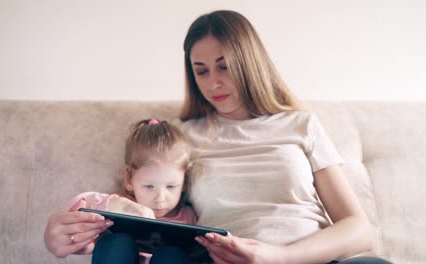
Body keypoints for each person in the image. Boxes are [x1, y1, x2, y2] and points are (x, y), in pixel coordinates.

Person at [44, 10, 392, 264]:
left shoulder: (300, 124)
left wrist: (280, 256)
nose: (213, 83)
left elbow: (359, 229)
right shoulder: (181, 137)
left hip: (311, 258)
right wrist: (72, 237)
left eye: (225, 66)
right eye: (202, 71)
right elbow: (145, 212)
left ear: (250, 62)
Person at [65, 119, 197, 263]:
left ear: (184, 182)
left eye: (171, 187)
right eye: (149, 186)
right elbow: (79, 203)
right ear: (129, 179)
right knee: (116, 244)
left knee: (172, 255)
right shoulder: (121, 206)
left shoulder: (189, 216)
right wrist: (117, 204)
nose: (160, 198)